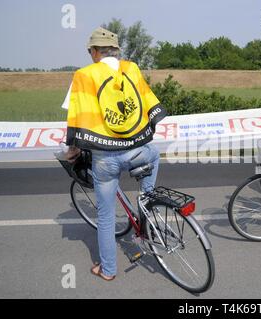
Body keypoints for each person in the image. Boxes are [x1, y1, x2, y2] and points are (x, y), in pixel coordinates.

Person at [64, 27, 167, 280]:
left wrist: (74, 150)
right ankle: (147, 217)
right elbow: (147, 108)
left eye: (90, 51)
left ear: (95, 51)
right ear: (116, 51)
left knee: (106, 216)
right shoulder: (131, 69)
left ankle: (108, 270)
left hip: (106, 159)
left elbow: (78, 118)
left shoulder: (84, 75)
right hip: (141, 151)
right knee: (152, 162)